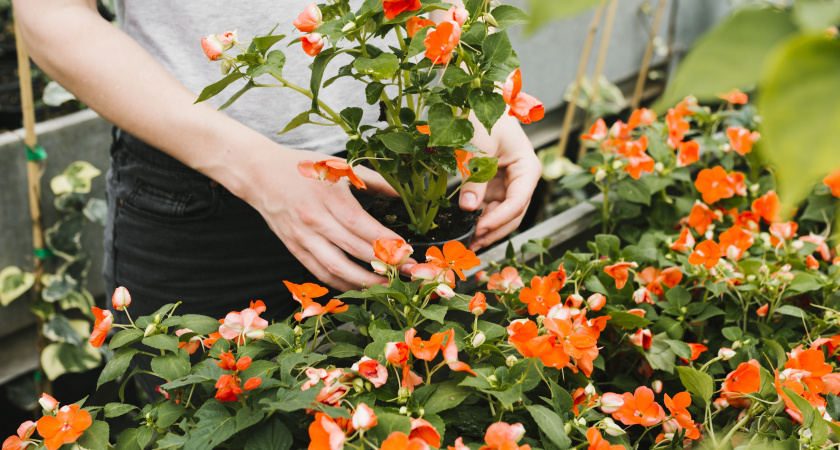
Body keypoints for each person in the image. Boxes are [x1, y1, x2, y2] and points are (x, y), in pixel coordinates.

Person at [14, 0, 541, 323]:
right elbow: (50, 12)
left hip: (402, 169)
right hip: (201, 197)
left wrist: (475, 97)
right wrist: (252, 166)